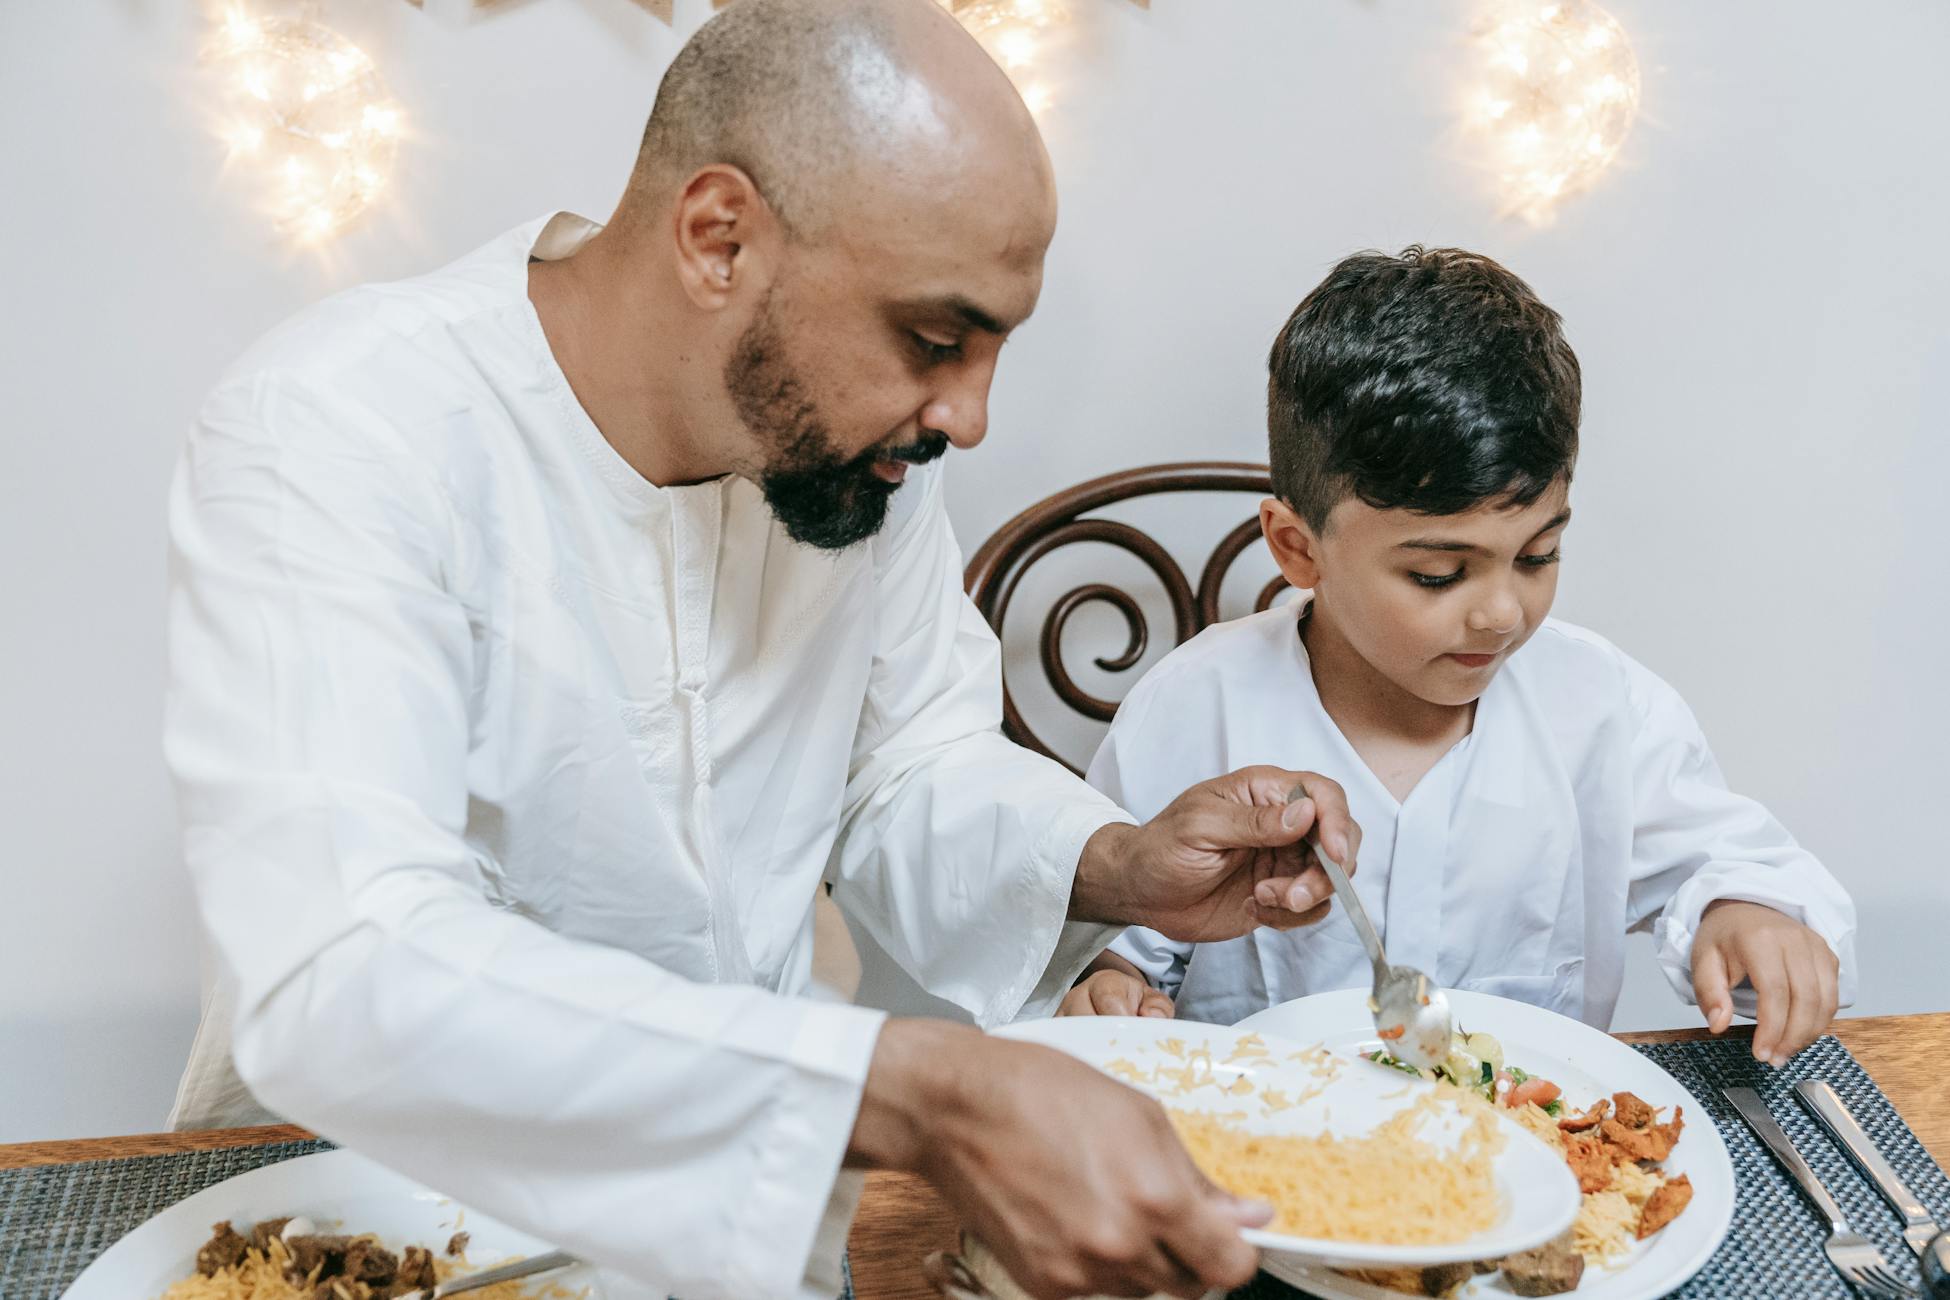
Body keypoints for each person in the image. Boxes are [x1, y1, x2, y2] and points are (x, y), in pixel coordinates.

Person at [162, 2, 1358, 1297]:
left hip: (756, 1234)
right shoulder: (340, 431)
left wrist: (1116, 864)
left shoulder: (861, 455)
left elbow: (909, 768)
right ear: (717, 237)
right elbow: (350, 962)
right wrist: (903, 1091)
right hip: (366, 1220)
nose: (969, 412)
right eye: (933, 338)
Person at [1060, 247, 1856, 1073]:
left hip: (1528, 1162)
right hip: (1266, 1159)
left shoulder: (1606, 714)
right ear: (1298, 550)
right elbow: (1110, 935)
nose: (1503, 612)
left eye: (1538, 555)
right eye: (1438, 574)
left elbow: (1731, 863)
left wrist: (1747, 913)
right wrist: (1106, 981)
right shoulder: (1190, 711)